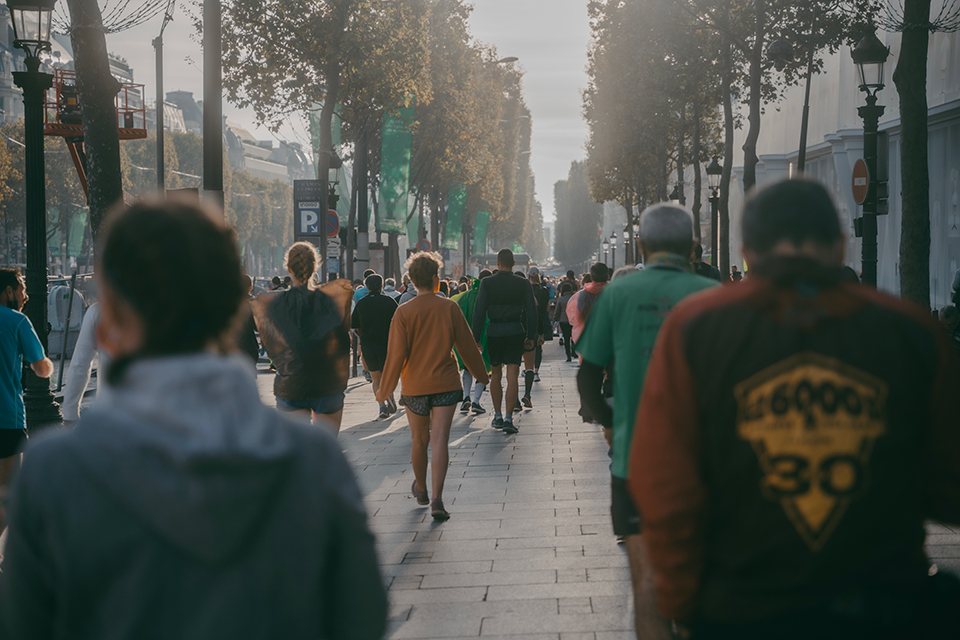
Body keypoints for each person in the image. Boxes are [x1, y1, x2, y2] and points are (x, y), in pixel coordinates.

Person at [0, 200, 386, 638]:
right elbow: (360, 620)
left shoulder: (54, 475)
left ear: (108, 327)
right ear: (233, 314)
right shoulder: (314, 462)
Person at [629, 178, 960, 639]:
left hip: (743, 609)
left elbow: (667, 485)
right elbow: (949, 483)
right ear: (841, 244)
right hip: (883, 607)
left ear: (746, 249)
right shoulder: (912, 333)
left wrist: (682, 599)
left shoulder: (696, 329)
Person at [576, 205, 718, 640]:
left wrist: (615, 423)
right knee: (699, 593)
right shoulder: (712, 297)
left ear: (640, 245)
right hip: (705, 464)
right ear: (693, 246)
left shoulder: (618, 294)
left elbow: (586, 375)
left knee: (649, 590)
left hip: (636, 464)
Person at [377, 252, 488, 521]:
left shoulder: (403, 312)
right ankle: (438, 498)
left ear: (412, 280)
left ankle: (421, 488)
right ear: (437, 279)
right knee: (440, 440)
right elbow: (467, 345)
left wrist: (384, 390)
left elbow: (396, 355)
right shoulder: (449, 308)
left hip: (415, 385)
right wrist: (481, 375)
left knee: (419, 440)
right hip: (446, 383)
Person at [253, 242, 352, 435]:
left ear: (288, 268)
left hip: (291, 382)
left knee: (298, 453)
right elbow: (341, 339)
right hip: (327, 382)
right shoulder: (330, 300)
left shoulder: (275, 304)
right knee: (326, 448)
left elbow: (270, 342)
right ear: (315, 268)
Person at [0, 268, 54, 534]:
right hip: (6, 419)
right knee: (9, 494)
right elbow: (41, 368)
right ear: (8, 291)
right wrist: (45, 365)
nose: (25, 296)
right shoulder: (17, 321)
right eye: (21, 289)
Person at [472, 249, 537, 434]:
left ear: (497, 263)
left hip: (494, 331)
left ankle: (498, 416)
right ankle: (509, 418)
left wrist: (476, 338)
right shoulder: (523, 283)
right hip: (515, 331)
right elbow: (531, 312)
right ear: (514, 263)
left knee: (496, 374)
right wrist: (531, 336)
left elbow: (479, 312)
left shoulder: (487, 283)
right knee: (513, 375)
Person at [351, 274, 398, 419]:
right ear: (381, 286)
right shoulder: (389, 301)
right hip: (385, 344)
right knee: (387, 376)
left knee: (375, 377)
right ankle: (389, 394)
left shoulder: (361, 303)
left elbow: (354, 326)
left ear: (367, 287)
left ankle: (381, 405)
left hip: (368, 344)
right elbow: (398, 321)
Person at [453, 270, 492, 414]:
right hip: (486, 338)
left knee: (468, 367)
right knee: (484, 368)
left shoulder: (466, 296)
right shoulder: (490, 296)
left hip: (467, 338)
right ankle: (476, 402)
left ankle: (466, 397)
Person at [566, 263, 609, 349]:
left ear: (591, 277)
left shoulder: (581, 296)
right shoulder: (616, 293)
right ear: (607, 276)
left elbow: (576, 317)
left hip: (588, 341)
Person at [553, 281, 576, 362]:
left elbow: (557, 311)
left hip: (563, 320)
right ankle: (573, 351)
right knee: (573, 337)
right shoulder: (574, 298)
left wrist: (554, 319)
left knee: (566, 338)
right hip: (573, 320)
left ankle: (568, 356)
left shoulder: (561, 299)